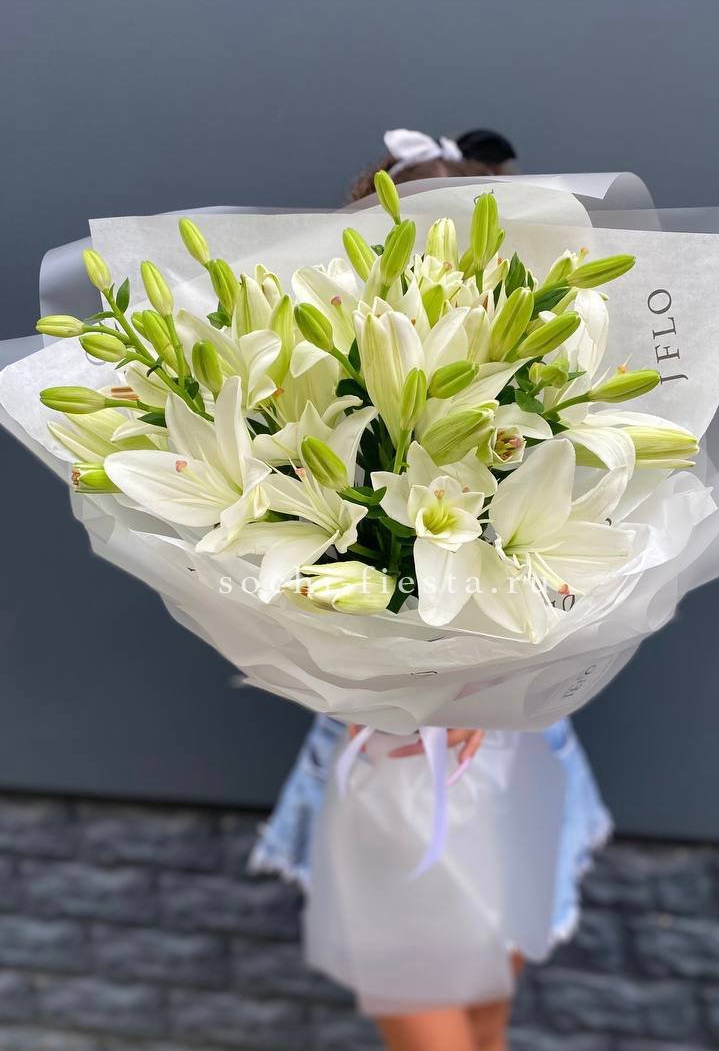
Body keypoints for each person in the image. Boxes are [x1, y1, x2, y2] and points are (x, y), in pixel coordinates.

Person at [250, 129, 612, 1051]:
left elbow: (586, 573)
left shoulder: (552, 382)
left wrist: (494, 677)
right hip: (394, 767)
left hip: (514, 758)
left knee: (489, 1012)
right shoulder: (306, 384)